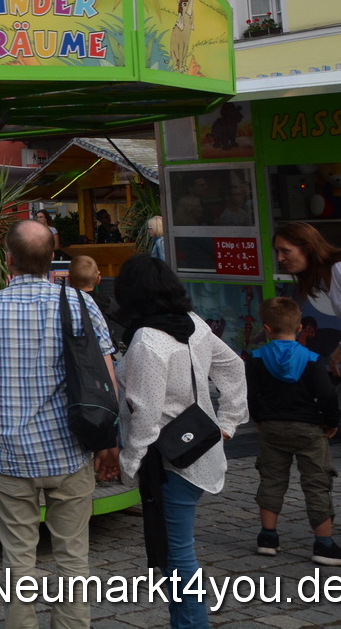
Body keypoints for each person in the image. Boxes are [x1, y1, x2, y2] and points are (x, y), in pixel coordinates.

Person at [0, 219, 119, 629]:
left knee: (18, 558)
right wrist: (109, 440)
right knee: (73, 557)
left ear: (8, 258)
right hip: (69, 451)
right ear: (54, 258)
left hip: (10, 456)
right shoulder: (82, 304)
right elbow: (107, 379)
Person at [115, 254, 249, 628]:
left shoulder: (147, 341)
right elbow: (234, 366)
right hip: (200, 449)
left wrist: (129, 464)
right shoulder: (193, 324)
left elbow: (146, 413)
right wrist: (227, 422)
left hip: (171, 461)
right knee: (175, 555)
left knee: (178, 556)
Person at [245, 295, 341, 565]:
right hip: (309, 429)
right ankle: (324, 545)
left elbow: (251, 394)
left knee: (271, 479)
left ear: (267, 328)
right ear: (299, 328)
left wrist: (259, 419)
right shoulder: (312, 359)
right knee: (317, 483)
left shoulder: (256, 358)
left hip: (272, 427)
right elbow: (327, 395)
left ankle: (268, 538)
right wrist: (331, 422)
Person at [272, 220, 341, 476]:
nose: (281, 258)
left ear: (307, 247)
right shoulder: (328, 277)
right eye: (278, 252)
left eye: (286, 251)